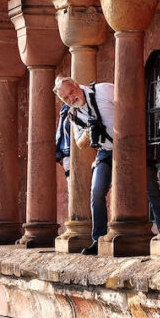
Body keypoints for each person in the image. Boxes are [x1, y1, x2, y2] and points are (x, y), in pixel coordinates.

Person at [53, 76, 114, 255]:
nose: (71, 98)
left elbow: (129, 101)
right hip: (106, 151)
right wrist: (89, 132)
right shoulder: (73, 115)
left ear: (77, 85)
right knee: (96, 192)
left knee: (149, 188)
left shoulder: (103, 90)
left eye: (71, 92)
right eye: (66, 98)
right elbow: (79, 143)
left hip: (129, 146)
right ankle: (99, 239)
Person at [55, 103, 71, 178]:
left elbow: (59, 134)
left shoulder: (65, 109)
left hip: (67, 153)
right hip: (68, 153)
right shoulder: (66, 110)